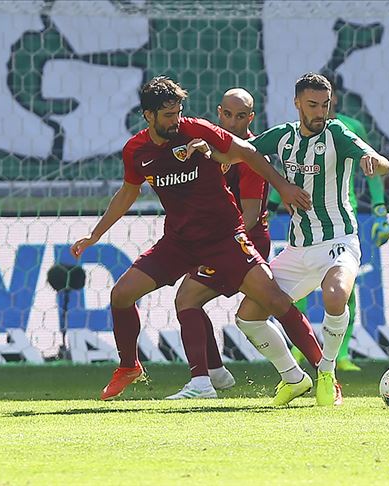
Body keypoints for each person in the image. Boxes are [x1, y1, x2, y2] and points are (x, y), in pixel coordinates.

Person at [70, 76, 319, 403]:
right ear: (148, 116)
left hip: (224, 238)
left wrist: (282, 187)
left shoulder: (197, 130)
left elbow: (247, 151)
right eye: (168, 115)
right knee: (122, 294)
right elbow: (128, 192)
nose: (176, 120)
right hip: (179, 242)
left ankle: (324, 370)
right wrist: (95, 234)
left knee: (274, 300)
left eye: (178, 112)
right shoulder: (136, 150)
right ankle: (130, 366)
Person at [237, 72, 389, 406]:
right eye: (313, 105)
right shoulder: (283, 136)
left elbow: (382, 163)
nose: (321, 111)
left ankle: (327, 370)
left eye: (325, 104)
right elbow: (242, 151)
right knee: (246, 317)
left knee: (335, 296)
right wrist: (206, 147)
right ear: (297, 103)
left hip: (339, 240)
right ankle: (293, 377)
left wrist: (374, 162)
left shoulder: (338, 133)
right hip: (298, 249)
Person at [165, 87, 271, 400]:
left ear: (251, 118)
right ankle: (216, 373)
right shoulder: (207, 146)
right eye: (228, 115)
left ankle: (204, 381)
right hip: (218, 241)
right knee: (190, 300)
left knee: (188, 299)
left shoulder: (250, 155)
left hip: (245, 242)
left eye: (241, 116)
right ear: (218, 112)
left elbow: (250, 214)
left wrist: (220, 242)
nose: (233, 122)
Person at [286, 78, 389, 372]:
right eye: (314, 101)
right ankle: (299, 347)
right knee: (299, 287)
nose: (322, 105)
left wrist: (380, 209)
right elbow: (288, 173)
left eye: (327, 98)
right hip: (305, 215)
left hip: (343, 218)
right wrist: (272, 201)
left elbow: (372, 167)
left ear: (333, 98)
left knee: (345, 288)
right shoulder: (293, 134)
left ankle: (341, 354)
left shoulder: (349, 128)